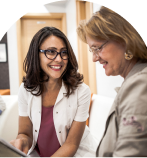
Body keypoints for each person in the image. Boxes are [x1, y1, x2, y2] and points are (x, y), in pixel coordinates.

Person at [77, 6, 147, 158]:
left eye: (97, 48)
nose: (94, 58)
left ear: (124, 40)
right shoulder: (135, 80)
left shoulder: (141, 84)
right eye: (92, 51)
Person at [10, 27, 98, 158]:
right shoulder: (25, 89)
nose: (59, 59)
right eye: (51, 52)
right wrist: (21, 141)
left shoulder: (81, 91)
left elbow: (71, 145)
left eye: (64, 52)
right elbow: (25, 133)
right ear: (36, 54)